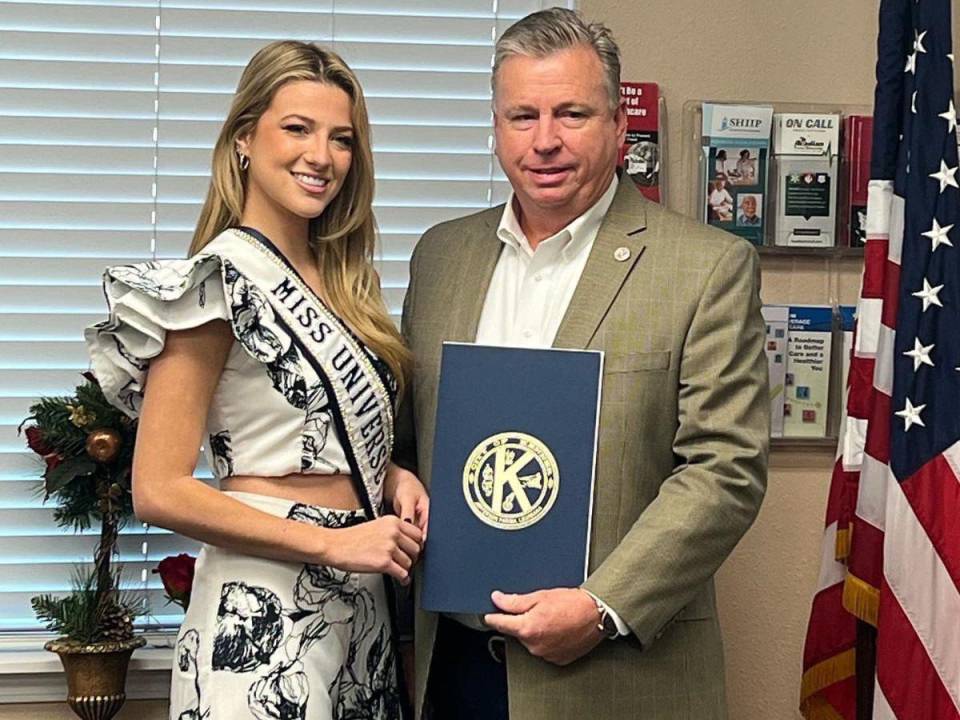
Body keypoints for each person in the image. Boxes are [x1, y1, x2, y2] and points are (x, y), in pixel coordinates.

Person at [395, 9, 768, 720]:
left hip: (616, 675)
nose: (545, 141)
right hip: (455, 672)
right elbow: (414, 443)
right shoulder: (441, 257)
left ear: (619, 128)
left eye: (571, 113)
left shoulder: (707, 267)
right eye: (522, 115)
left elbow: (726, 468)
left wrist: (603, 606)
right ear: (496, 128)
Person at [85, 41, 427, 720]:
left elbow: (321, 435)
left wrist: (390, 475)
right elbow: (157, 490)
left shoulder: (347, 285)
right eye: (296, 129)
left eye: (341, 139)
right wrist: (332, 540)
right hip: (259, 613)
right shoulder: (212, 285)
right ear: (244, 137)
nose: (320, 157)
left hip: (359, 603)